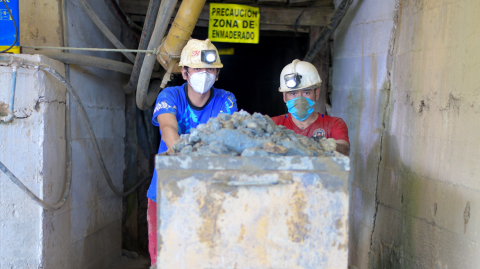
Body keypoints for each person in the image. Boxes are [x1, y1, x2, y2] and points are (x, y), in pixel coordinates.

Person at [146, 39, 238, 266]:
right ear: (185, 72)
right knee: (165, 261)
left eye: (209, 68)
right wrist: (186, 161)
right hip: (166, 194)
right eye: (197, 68)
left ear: (217, 74)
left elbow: (229, 138)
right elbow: (168, 129)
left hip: (209, 196)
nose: (204, 73)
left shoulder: (225, 100)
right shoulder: (170, 96)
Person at [272, 59, 350, 156]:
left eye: (306, 92)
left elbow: (344, 150)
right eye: (293, 93)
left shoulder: (334, 124)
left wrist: (316, 144)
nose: (299, 99)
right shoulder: (272, 124)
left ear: (316, 94)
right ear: (284, 96)